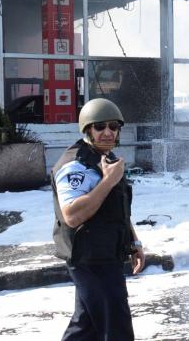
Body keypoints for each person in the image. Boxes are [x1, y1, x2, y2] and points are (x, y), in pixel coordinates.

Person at [51, 98, 145, 341]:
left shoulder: (105, 158)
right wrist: (108, 181)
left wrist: (134, 242)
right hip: (91, 259)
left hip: (107, 252)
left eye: (113, 126)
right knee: (117, 329)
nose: (107, 132)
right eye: (100, 126)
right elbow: (72, 215)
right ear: (87, 130)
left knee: (86, 327)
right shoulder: (75, 166)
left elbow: (117, 208)